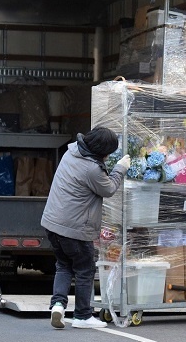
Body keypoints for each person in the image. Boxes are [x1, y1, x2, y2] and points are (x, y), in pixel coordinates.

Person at [42, 126, 130, 329]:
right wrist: (120, 168)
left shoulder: (71, 152)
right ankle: (82, 316)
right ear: (101, 150)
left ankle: (57, 305)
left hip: (52, 223)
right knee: (84, 269)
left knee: (63, 265)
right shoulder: (92, 168)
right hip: (74, 229)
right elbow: (108, 188)